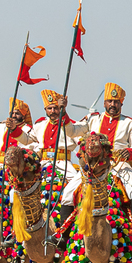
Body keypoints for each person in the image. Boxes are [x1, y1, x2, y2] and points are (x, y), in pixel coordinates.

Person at [26, 90, 89, 227]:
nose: (53, 111)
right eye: (50, 108)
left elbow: (81, 142)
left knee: (80, 188)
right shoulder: (39, 126)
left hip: (63, 165)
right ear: (45, 110)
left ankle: (74, 226)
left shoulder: (70, 124)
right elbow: (26, 139)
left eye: (56, 108)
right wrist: (14, 130)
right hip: (42, 164)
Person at [85, 83, 132, 222]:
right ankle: (63, 235)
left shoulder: (130, 123)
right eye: (110, 101)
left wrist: (130, 152)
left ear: (121, 104)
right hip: (94, 164)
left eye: (116, 102)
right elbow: (74, 131)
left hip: (119, 164)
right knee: (70, 191)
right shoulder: (93, 119)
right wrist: (63, 113)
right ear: (104, 102)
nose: (113, 104)